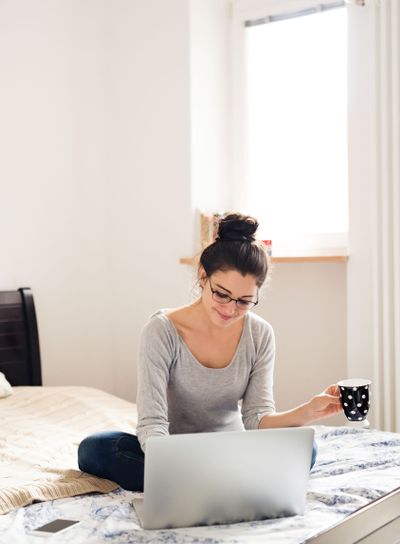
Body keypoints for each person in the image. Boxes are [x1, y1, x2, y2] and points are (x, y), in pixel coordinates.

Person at [78, 213, 342, 492]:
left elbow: (255, 418)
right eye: (222, 294)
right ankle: (222, 483)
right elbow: (152, 424)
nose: (230, 309)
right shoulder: (161, 331)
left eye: (244, 301)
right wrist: (171, 462)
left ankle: (196, 484)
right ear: (203, 276)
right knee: (95, 449)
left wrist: (308, 412)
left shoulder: (260, 335)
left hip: (231, 450)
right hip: (173, 452)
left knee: (307, 447)